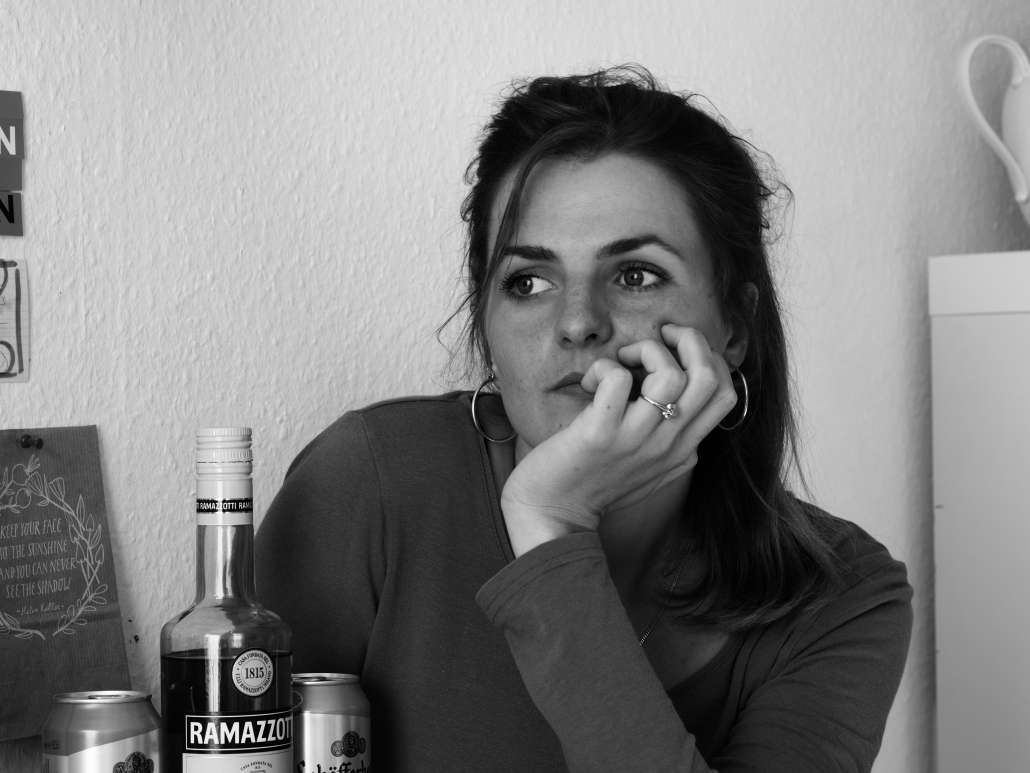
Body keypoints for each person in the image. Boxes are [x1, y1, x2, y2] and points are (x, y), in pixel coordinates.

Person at [255, 66, 912, 772]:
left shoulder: (842, 596)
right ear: (486, 323)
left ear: (734, 327)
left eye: (635, 275)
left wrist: (551, 525)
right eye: (528, 281)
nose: (576, 322)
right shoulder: (370, 484)